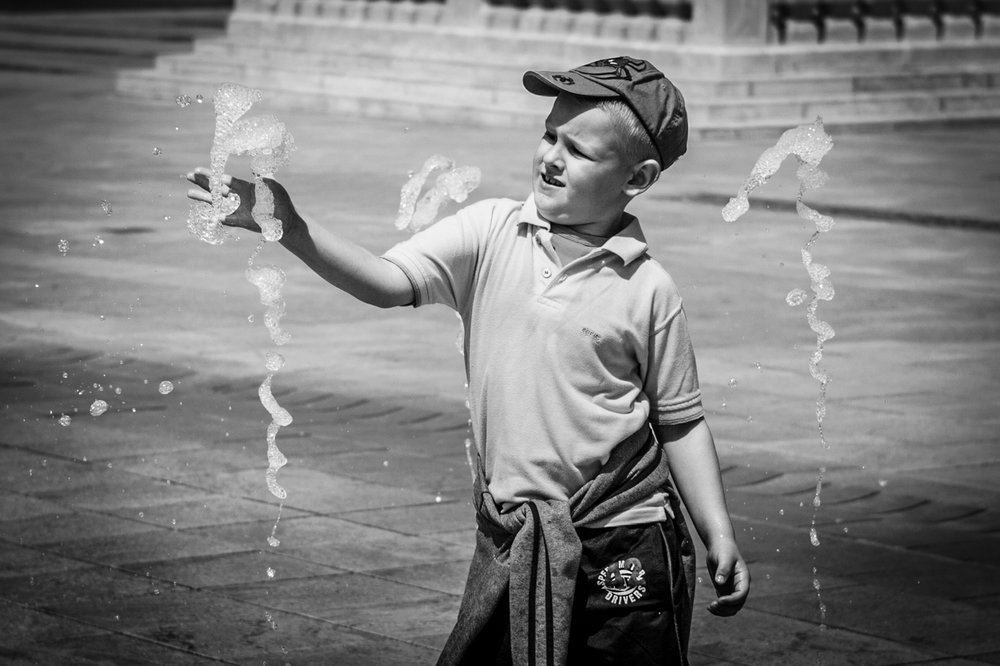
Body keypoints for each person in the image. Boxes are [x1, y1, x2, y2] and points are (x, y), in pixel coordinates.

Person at [187, 55, 749, 666]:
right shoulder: (490, 231)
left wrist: (715, 528)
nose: (551, 157)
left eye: (579, 150)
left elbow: (680, 421)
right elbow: (385, 281)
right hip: (514, 535)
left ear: (636, 178)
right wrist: (289, 227)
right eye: (548, 135)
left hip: (625, 532)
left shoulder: (649, 288)